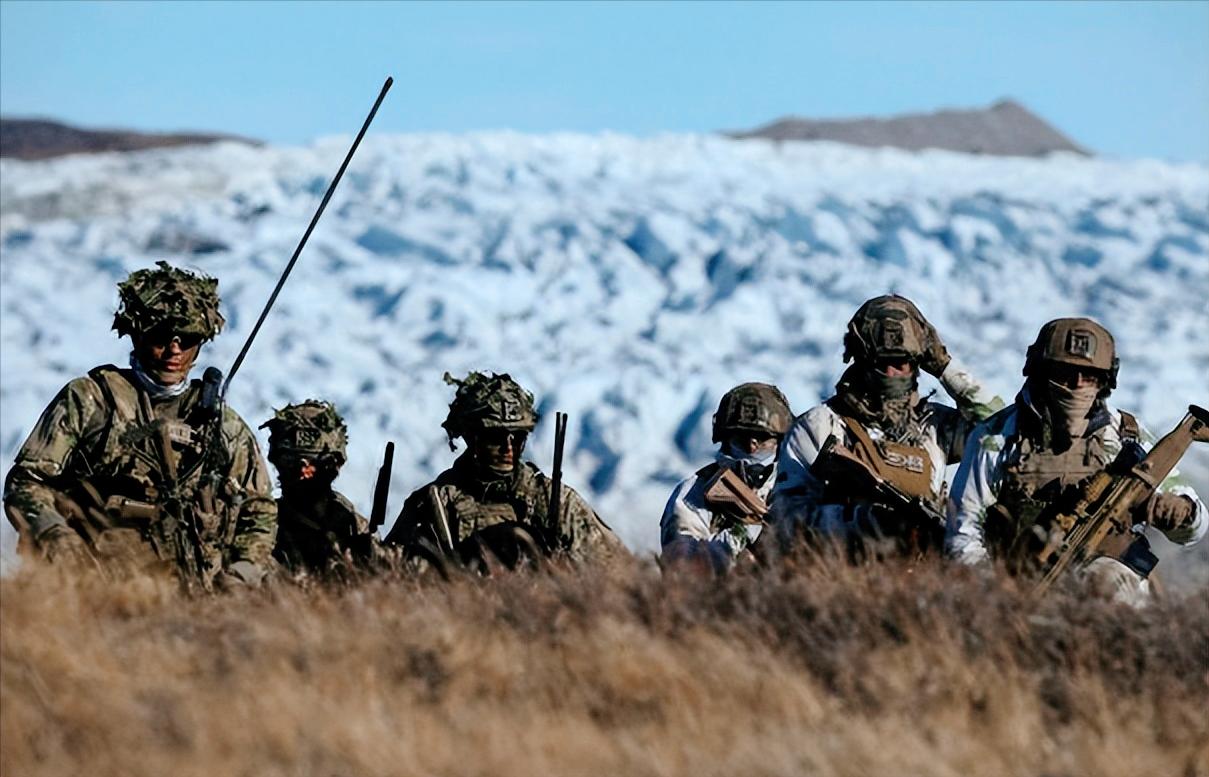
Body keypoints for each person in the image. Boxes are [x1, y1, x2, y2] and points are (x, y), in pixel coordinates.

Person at [3, 261, 276, 590]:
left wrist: (241, 575)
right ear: (136, 333)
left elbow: (258, 509)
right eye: (161, 337)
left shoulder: (221, 424)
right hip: (92, 592)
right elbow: (25, 483)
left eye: (187, 339)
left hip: (199, 600)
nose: (174, 350)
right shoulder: (92, 400)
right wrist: (59, 541)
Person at [946, 317, 1206, 604]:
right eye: (1065, 373)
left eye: (1089, 375)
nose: (1077, 385)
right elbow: (964, 532)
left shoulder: (1126, 434)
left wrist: (1182, 512)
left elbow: (1193, 529)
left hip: (1112, 588)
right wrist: (996, 594)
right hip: (1019, 585)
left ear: (1105, 381)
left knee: (1111, 586)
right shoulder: (996, 437)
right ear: (1041, 372)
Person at [772, 295, 1002, 554]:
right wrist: (860, 521)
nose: (893, 372)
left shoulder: (935, 427)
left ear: (918, 364)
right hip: (843, 578)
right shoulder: (821, 426)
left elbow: (998, 426)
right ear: (862, 360)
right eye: (884, 362)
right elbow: (785, 522)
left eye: (902, 362)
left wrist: (944, 366)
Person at [386, 372, 626, 568]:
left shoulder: (554, 501)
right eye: (495, 438)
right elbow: (392, 578)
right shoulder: (435, 502)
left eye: (518, 438)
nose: (508, 447)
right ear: (472, 438)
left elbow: (618, 568)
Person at [660, 382, 792, 572]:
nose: (753, 446)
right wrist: (740, 536)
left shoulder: (795, 486)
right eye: (742, 437)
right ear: (726, 437)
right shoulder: (694, 493)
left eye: (764, 438)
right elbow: (682, 570)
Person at [262, 400, 382, 577]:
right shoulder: (262, 525)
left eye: (313, 465)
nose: (304, 472)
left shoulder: (353, 525)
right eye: (290, 464)